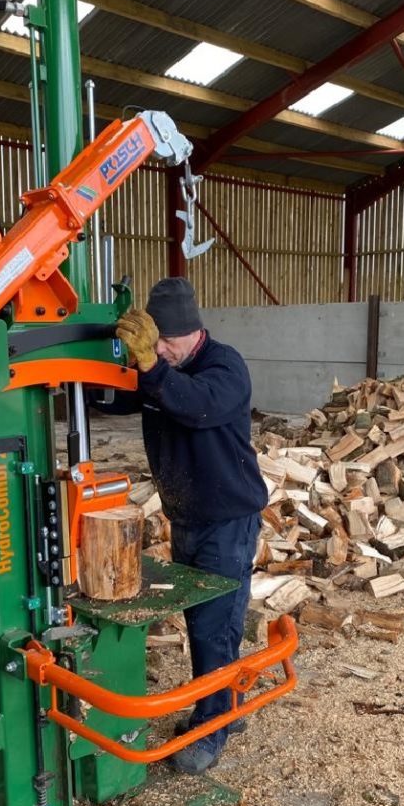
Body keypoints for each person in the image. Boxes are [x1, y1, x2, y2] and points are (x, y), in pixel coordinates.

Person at [111, 277, 268, 775]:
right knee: (217, 620)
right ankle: (227, 705)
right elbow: (118, 397)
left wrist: (152, 368)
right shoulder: (163, 369)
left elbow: (194, 405)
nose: (158, 351)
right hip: (188, 515)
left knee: (211, 625)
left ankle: (212, 728)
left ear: (193, 331)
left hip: (227, 517)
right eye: (153, 343)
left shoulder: (224, 366)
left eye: (166, 343)